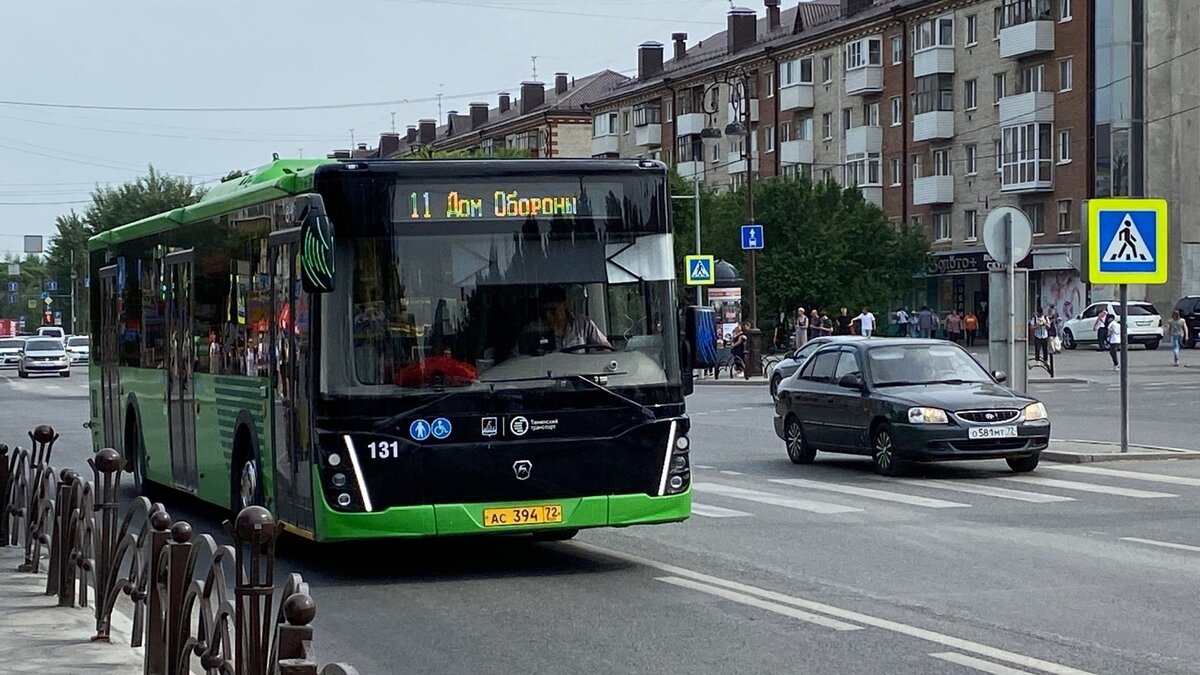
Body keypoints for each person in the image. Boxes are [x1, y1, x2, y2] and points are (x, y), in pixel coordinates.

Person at [515, 285, 611, 355]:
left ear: (565, 305)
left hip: (579, 377)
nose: (548, 315)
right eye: (545, 310)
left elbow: (605, 348)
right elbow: (515, 359)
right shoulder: (531, 330)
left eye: (553, 310)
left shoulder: (583, 324)